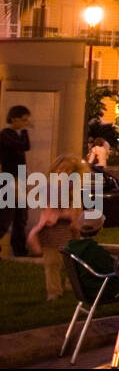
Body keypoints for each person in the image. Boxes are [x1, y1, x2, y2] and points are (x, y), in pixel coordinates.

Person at [26, 155, 90, 299]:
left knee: (69, 261)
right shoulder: (48, 189)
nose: (63, 173)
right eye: (60, 170)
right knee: (51, 263)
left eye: (68, 171)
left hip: (67, 231)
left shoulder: (73, 191)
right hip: (50, 232)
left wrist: (68, 217)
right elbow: (47, 210)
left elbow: (75, 211)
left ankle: (70, 283)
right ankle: (53, 291)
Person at [0, 105, 32, 258]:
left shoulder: (16, 135)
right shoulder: (6, 134)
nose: (25, 123)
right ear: (14, 118)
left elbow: (25, 146)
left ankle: (20, 250)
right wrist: (25, 131)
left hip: (19, 180)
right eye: (24, 120)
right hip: (9, 180)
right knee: (6, 217)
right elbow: (24, 146)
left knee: (21, 217)